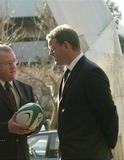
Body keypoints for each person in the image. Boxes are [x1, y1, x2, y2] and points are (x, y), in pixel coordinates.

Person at [46, 24, 118, 160]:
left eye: (53, 48)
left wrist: (104, 148)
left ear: (66, 45)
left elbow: (109, 114)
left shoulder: (92, 73)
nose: (50, 53)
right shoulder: (68, 73)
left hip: (91, 154)